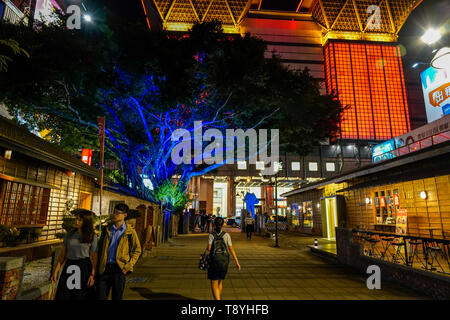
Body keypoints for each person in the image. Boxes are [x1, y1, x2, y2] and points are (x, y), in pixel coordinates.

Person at [96, 203, 141, 300]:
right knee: (100, 296)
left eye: (117, 213)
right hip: (105, 268)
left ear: (125, 215)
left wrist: (128, 267)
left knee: (117, 297)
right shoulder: (107, 229)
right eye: (114, 212)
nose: (114, 215)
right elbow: (99, 248)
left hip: (119, 269)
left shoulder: (130, 232)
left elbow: (137, 250)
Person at [51, 209, 98, 300]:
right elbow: (62, 255)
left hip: (83, 267)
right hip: (70, 266)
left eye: (79, 220)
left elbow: (94, 258)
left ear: (86, 222)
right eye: (76, 219)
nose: (76, 221)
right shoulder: (70, 234)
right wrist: (56, 271)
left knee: (79, 295)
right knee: (64, 294)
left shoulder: (92, 236)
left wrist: (92, 275)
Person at [206, 217, 241, 300]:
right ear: (222, 225)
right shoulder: (226, 235)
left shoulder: (211, 235)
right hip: (224, 261)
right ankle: (218, 298)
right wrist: (237, 262)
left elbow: (208, 248)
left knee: (214, 281)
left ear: (214, 224)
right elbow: (231, 249)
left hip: (214, 261)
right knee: (220, 281)